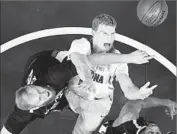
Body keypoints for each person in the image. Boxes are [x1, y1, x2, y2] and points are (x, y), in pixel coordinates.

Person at [1, 48, 154, 134]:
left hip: (47, 59)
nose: (44, 92)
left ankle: (66, 57)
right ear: (34, 108)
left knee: (77, 59)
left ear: (33, 85)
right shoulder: (23, 114)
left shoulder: (52, 77)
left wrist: (129, 57)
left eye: (38, 90)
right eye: (40, 98)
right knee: (62, 101)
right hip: (58, 93)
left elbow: (90, 61)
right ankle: (67, 100)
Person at [65, 13, 158, 134]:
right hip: (72, 91)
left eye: (112, 33)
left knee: (82, 130)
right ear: (93, 33)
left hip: (98, 103)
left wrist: (138, 93)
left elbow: (128, 86)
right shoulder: (82, 44)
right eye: (104, 33)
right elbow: (80, 62)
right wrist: (88, 79)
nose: (109, 39)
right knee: (47, 92)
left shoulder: (118, 58)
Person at [98, 97, 177, 134]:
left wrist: (166, 102)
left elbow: (133, 103)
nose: (154, 128)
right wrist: (168, 103)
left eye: (151, 133)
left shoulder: (127, 122)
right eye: (157, 133)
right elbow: (141, 103)